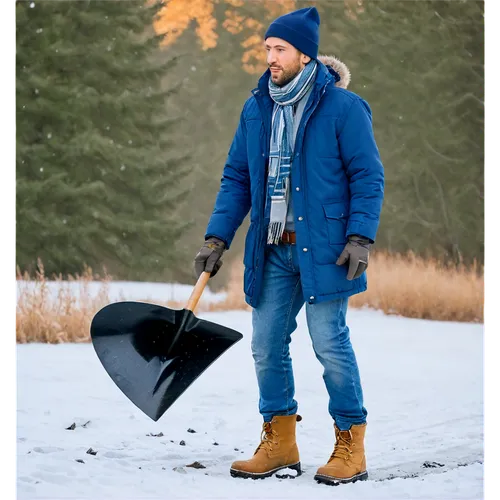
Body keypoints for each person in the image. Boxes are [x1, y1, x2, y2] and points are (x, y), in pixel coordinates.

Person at [193, 6, 384, 486]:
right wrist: (218, 236)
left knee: (330, 343)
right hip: (273, 247)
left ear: (305, 54)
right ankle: (279, 441)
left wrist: (361, 235)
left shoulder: (343, 108)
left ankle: (350, 444)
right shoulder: (256, 107)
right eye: (267, 49)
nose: (270, 58)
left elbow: (367, 175)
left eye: (279, 49)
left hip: (327, 248)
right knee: (265, 345)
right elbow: (237, 176)